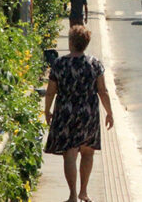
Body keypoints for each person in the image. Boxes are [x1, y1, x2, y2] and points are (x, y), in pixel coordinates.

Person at [44, 26, 114, 202]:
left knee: (70, 152)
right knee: (87, 152)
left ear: (70, 42)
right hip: (88, 113)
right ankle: (84, 191)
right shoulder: (95, 64)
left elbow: (51, 91)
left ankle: (73, 195)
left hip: (65, 112)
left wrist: (47, 110)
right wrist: (109, 113)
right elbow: (102, 91)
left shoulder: (59, 64)